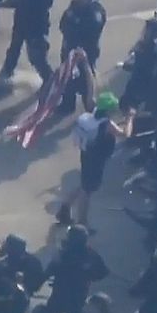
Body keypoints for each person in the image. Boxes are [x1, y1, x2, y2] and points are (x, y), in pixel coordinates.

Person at [24, 225, 110, 313]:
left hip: (62, 299)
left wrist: (31, 287)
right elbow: (102, 273)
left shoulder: (63, 255)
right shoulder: (89, 255)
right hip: (74, 300)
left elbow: (45, 275)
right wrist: (88, 273)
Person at [56, 94, 128, 226]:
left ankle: (65, 208)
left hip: (86, 154)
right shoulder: (107, 124)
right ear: (108, 111)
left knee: (85, 185)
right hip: (96, 159)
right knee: (86, 190)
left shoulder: (89, 117)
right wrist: (131, 118)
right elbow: (125, 134)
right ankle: (82, 222)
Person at [56, 0, 106, 115]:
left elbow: (91, 33)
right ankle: (67, 104)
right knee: (67, 77)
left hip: (85, 53)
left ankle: (91, 109)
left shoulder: (96, 13)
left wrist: (75, 36)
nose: (84, 0)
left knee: (86, 82)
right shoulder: (74, 6)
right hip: (69, 49)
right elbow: (63, 23)